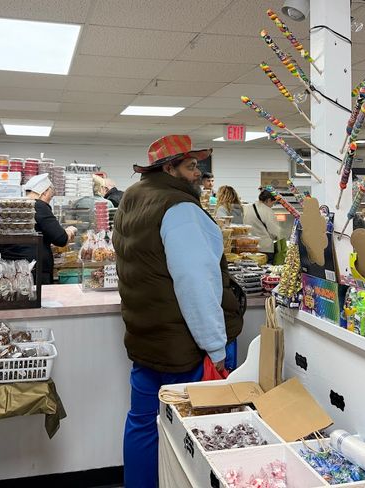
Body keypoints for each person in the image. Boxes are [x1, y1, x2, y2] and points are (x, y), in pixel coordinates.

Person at [112, 135, 244, 488]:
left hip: (146, 340)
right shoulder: (180, 209)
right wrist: (216, 348)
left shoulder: (132, 200)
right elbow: (196, 286)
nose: (198, 173)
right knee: (192, 433)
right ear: (168, 169)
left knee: (142, 422)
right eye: (190, 166)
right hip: (184, 348)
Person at [0, 174, 76, 284]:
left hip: (9, 268)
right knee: (36, 299)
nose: (49, 200)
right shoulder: (39, 206)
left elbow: (0, 245)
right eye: (51, 196)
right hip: (34, 271)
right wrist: (69, 231)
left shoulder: (14, 207)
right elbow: (61, 238)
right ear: (44, 192)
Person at [243, 189, 284, 263]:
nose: (272, 206)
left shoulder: (247, 208)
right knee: (265, 272)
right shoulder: (268, 211)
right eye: (273, 203)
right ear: (268, 200)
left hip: (249, 248)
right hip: (265, 249)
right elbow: (275, 233)